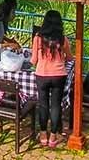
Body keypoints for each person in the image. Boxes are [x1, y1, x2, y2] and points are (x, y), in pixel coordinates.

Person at [31, 10, 72, 148]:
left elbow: (33, 60)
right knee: (55, 105)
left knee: (43, 105)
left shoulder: (38, 38)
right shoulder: (63, 39)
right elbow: (70, 58)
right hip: (59, 75)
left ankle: (43, 135)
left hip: (41, 75)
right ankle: (53, 137)